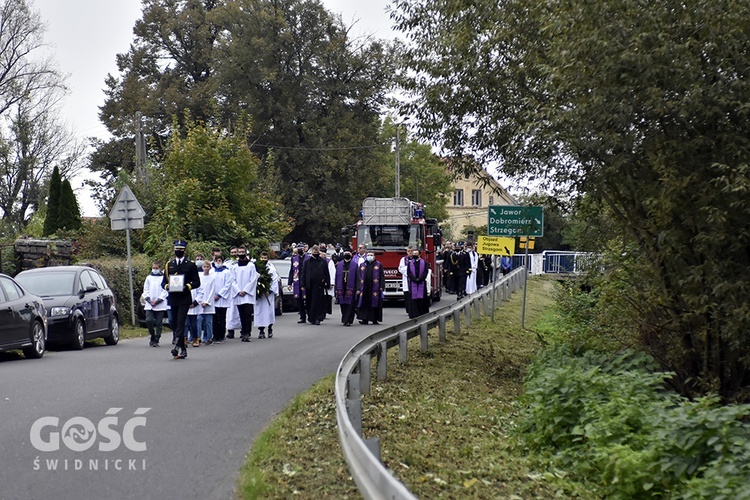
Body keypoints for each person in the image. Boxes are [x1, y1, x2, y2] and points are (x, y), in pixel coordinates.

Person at [162, 239, 201, 360]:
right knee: (173, 321)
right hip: (173, 298)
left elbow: (197, 282)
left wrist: (188, 286)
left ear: (184, 251)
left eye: (180, 249)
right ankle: (182, 347)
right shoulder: (169, 265)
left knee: (180, 321)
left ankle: (177, 346)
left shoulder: (190, 265)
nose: (178, 251)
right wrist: (167, 286)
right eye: (176, 249)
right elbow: (164, 282)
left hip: (184, 298)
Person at [233, 246, 258, 342]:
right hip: (239, 293)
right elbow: (232, 280)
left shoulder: (251, 265)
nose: (241, 253)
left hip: (248, 294)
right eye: (239, 252)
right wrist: (238, 290)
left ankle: (247, 332)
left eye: (243, 252)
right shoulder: (235, 266)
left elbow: (253, 279)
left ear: (246, 253)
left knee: (247, 314)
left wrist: (246, 290)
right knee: (241, 314)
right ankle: (243, 331)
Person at [302, 245, 330, 325]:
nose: (315, 252)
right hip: (309, 285)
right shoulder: (307, 262)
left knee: (319, 302)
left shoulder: (322, 261)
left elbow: (326, 273)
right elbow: (303, 273)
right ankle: (311, 317)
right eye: (314, 251)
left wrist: (327, 283)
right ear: (312, 252)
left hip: (319, 285)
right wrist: (303, 284)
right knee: (309, 302)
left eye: (317, 251)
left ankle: (318, 318)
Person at [255, 251, 280, 338]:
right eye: (262, 258)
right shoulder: (256, 268)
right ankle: (261, 330)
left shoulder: (271, 269)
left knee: (269, 312)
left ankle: (270, 329)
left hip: (268, 295)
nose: (263, 260)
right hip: (260, 295)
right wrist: (259, 290)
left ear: (268, 259)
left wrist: (268, 291)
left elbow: (274, 281)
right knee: (260, 312)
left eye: (265, 258)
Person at [356, 250, 385, 325]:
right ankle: (364, 319)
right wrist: (358, 287)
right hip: (364, 287)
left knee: (374, 303)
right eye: (368, 255)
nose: (370, 256)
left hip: (375, 287)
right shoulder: (362, 265)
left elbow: (382, 276)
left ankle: (374, 319)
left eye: (371, 255)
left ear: (374, 256)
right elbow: (358, 277)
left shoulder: (378, 265)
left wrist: (382, 286)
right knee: (364, 303)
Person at [143, 261, 168, 347]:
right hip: (149, 304)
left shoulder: (163, 278)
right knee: (149, 320)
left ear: (160, 268)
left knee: (158, 322)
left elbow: (165, 291)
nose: (155, 270)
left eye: (156, 268)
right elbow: (145, 290)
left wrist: (158, 301)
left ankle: (157, 337)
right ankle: (152, 335)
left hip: (160, 304)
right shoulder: (148, 278)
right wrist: (149, 300)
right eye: (153, 268)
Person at [212, 255, 234, 343]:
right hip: (213, 298)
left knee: (221, 317)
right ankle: (215, 335)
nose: (218, 262)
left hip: (222, 298)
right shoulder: (212, 271)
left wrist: (219, 295)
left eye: (219, 260)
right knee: (214, 318)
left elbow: (227, 285)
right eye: (216, 260)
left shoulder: (226, 272)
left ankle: (221, 335)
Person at [335, 250, 359, 326]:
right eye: (345, 254)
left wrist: (358, 288)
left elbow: (358, 277)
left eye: (348, 254)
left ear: (351, 255)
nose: (347, 255)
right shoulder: (340, 264)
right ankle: (345, 317)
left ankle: (347, 320)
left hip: (351, 287)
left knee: (350, 304)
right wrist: (336, 288)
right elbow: (336, 277)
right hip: (341, 286)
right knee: (343, 303)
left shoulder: (354, 265)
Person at [406, 248, 430, 318]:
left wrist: (420, 279)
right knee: (413, 299)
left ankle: (422, 313)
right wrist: (414, 279)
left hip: (421, 282)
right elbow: (409, 273)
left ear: (419, 254)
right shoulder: (410, 263)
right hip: (413, 282)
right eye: (414, 254)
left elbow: (425, 272)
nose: (414, 255)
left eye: (416, 254)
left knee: (422, 299)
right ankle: (414, 314)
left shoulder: (424, 262)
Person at [196, 260, 215, 345]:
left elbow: (212, 291)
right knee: (199, 320)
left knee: (208, 322)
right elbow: (198, 290)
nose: (206, 268)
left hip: (209, 304)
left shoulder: (212, 278)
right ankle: (198, 337)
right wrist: (200, 301)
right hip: (200, 303)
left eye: (207, 267)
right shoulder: (199, 277)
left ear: (210, 268)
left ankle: (209, 337)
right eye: (204, 267)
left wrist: (207, 302)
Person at [289, 243, 308, 324]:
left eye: (302, 249)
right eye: (299, 249)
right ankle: (302, 317)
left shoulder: (308, 258)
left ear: (304, 249)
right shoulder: (294, 259)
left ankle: (310, 315)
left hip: (306, 281)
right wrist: (290, 283)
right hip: (297, 281)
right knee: (299, 301)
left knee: (307, 299)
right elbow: (291, 271)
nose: (300, 250)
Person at [398, 245, 414, 314]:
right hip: (406, 279)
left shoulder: (416, 258)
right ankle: (408, 310)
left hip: (414, 279)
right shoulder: (403, 259)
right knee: (407, 296)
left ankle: (413, 310)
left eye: (411, 251)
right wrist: (409, 271)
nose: (410, 252)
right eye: (409, 251)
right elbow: (400, 268)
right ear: (407, 252)